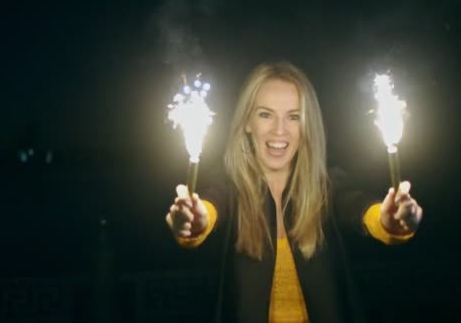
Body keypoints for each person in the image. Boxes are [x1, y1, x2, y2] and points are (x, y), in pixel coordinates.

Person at [165, 61, 423, 323]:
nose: (279, 130)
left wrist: (389, 221)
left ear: (307, 125)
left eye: (294, 116)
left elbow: (356, 204)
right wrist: (195, 223)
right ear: (247, 123)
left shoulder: (327, 182)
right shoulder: (228, 184)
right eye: (265, 114)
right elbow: (210, 206)